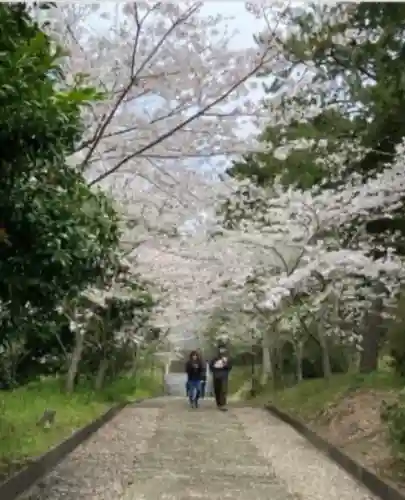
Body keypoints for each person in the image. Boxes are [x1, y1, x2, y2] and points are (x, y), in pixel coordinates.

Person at [209, 344, 232, 411]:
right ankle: (219, 403)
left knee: (223, 389)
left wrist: (225, 364)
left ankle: (223, 404)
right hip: (216, 375)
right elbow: (211, 366)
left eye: (223, 349)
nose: (222, 350)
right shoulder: (215, 358)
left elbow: (230, 367)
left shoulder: (228, 358)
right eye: (220, 348)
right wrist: (214, 368)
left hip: (224, 375)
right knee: (217, 390)